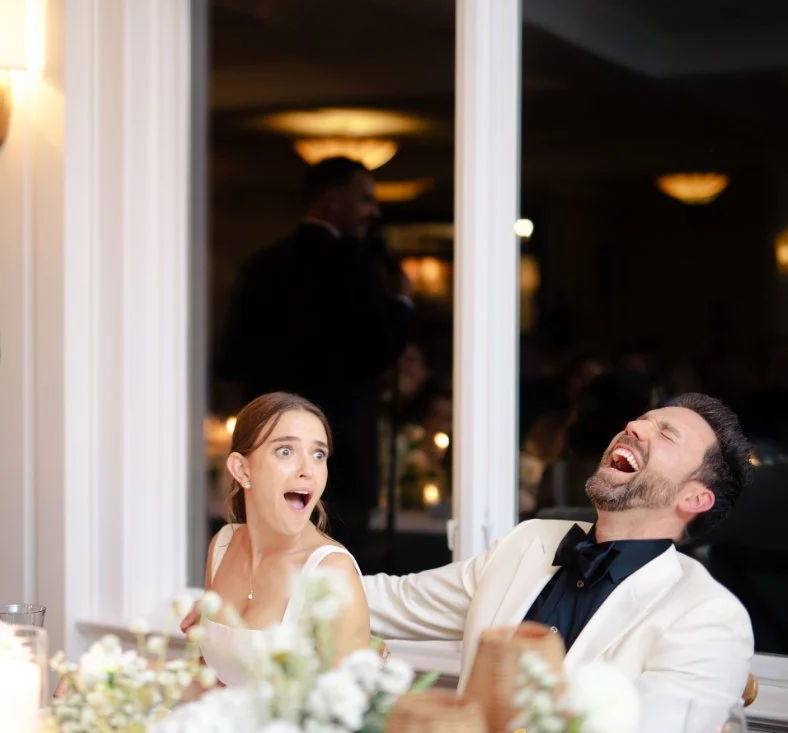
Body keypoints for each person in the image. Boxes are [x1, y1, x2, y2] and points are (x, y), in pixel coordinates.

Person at [363, 393, 754, 730]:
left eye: (666, 434)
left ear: (694, 499)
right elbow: (388, 601)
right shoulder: (528, 542)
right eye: (643, 419)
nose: (634, 426)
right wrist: (305, 540)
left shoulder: (708, 616)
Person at [218, 158, 414, 567]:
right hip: (339, 442)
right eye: (365, 199)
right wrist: (401, 301)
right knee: (333, 556)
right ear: (332, 200)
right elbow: (380, 347)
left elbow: (231, 357)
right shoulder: (353, 265)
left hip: (267, 441)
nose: (374, 211)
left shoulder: (261, 266)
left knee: (268, 551)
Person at [183, 392, 369, 686]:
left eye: (318, 455)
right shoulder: (222, 545)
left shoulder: (332, 571)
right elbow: (210, 676)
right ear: (242, 469)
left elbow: (351, 716)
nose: (307, 470)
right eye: (285, 451)